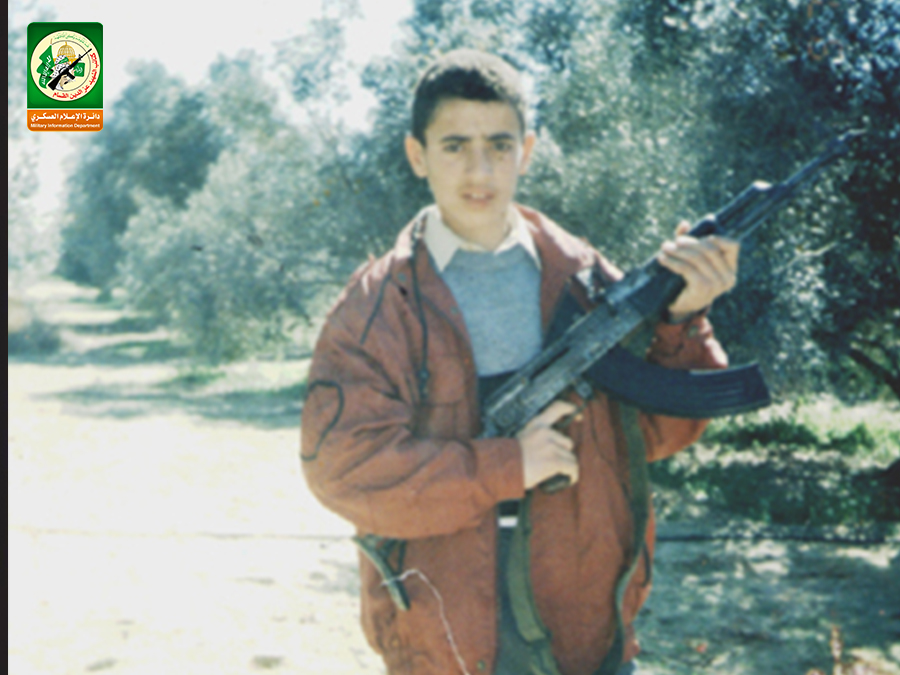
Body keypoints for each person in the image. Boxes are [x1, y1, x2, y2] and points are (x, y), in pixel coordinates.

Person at [301, 49, 738, 675]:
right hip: (446, 644)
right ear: (417, 155)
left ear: (526, 152)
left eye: (499, 145)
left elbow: (654, 433)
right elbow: (346, 473)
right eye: (455, 146)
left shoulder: (583, 277)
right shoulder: (378, 306)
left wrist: (682, 320)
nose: (479, 169)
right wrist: (508, 466)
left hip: (586, 633)